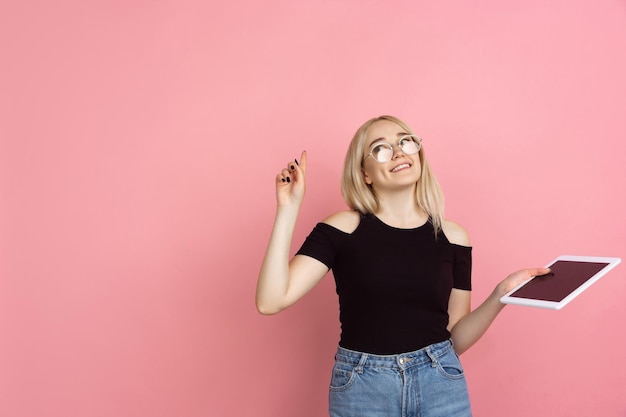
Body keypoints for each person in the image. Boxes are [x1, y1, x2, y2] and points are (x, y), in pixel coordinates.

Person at [255, 115, 549, 417]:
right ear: (364, 173)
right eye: (380, 148)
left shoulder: (453, 236)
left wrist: (500, 294)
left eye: (405, 141)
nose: (398, 152)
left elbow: (455, 338)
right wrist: (288, 209)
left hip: (440, 382)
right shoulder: (342, 228)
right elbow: (271, 300)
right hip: (363, 387)